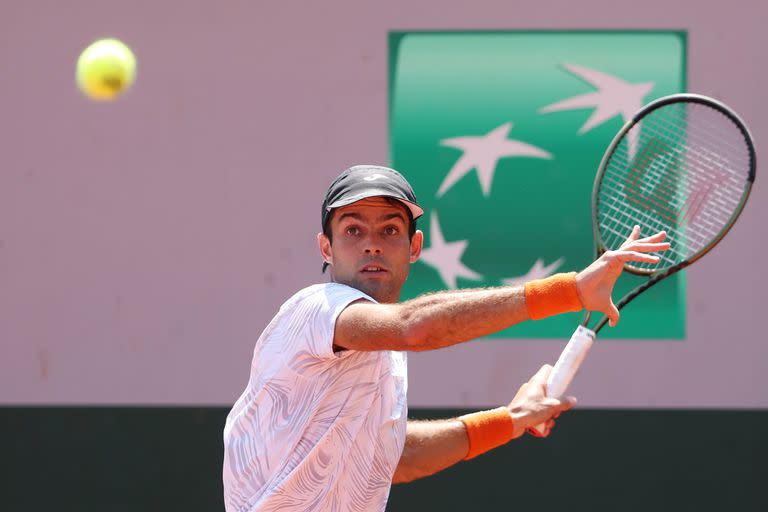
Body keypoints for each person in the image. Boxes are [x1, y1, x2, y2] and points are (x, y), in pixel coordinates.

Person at [222, 165, 669, 512]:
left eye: (389, 231)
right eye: (353, 230)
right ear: (326, 248)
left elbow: (395, 457)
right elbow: (416, 327)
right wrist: (569, 291)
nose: (371, 244)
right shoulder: (315, 308)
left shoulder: (385, 356)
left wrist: (512, 418)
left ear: (414, 247)